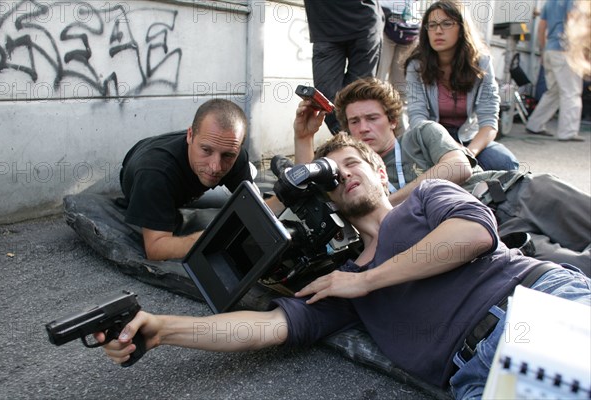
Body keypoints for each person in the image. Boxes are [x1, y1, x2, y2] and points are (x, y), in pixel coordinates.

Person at [98, 133, 591, 400]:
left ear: (379, 171)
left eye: (353, 165)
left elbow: (474, 235)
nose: (343, 177)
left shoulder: (425, 200)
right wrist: (163, 330)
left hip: (530, 309)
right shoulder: (342, 279)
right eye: (331, 177)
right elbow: (265, 328)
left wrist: (370, 281)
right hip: (475, 378)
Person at [294, 77, 591, 274]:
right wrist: (304, 139)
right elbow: (313, 200)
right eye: (354, 122)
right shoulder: (355, 170)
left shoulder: (422, 134)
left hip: (513, 192)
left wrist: (389, 204)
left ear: (392, 121)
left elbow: (458, 167)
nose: (364, 128)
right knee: (578, 270)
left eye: (372, 118)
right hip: (490, 233)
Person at [119, 99, 283, 261]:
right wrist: (212, 237)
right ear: (190, 135)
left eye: (228, 155)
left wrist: (289, 194)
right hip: (145, 167)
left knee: (246, 196)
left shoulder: (234, 152)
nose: (215, 167)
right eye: (206, 150)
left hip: (192, 184)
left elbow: (258, 209)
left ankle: (245, 170)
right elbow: (156, 249)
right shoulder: (155, 174)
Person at [404, 0, 519, 171]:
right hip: (431, 138)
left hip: (469, 138)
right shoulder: (416, 65)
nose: (438, 30)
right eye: (432, 25)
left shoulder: (482, 63)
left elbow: (489, 121)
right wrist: (447, 148)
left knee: (506, 163)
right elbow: (417, 117)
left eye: (447, 24)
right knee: (419, 169)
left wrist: (469, 152)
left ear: (462, 29)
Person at [303, 0, 384, 134]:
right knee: (325, 100)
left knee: (358, 97)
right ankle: (350, 144)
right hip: (324, 28)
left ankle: (353, 147)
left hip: (364, 24)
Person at [525, 0, 584, 142]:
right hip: (566, 50)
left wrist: (543, 50)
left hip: (550, 50)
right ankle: (568, 132)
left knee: (554, 91)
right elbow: (572, 20)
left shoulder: (549, 2)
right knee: (571, 92)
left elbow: (542, 27)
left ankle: (535, 125)